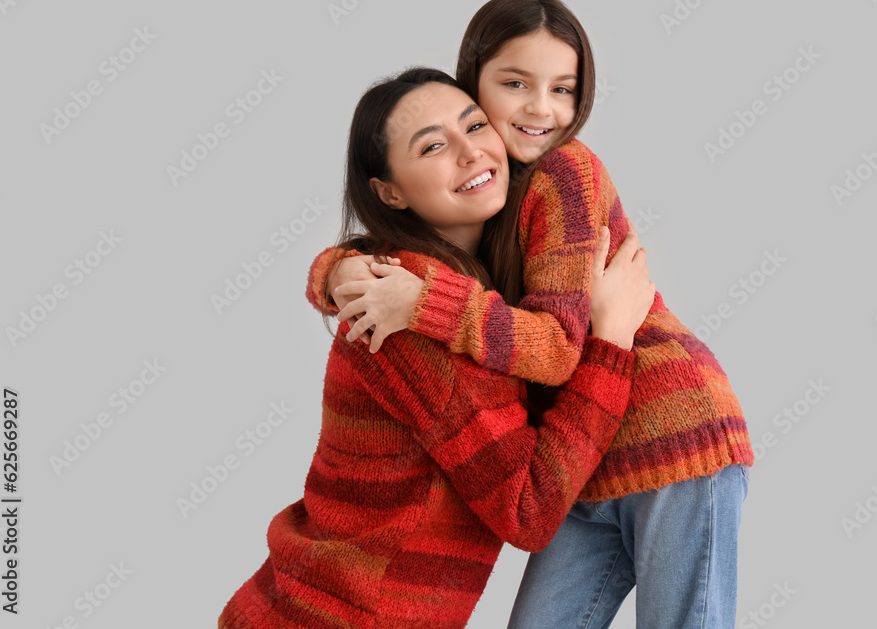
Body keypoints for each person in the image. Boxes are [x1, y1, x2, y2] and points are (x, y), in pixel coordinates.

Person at [316, 0, 754, 629]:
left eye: (563, 89)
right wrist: (338, 271)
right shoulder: (486, 187)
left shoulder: (565, 174)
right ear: (471, 82)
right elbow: (396, 254)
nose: (539, 110)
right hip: (576, 459)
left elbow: (555, 350)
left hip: (673, 432)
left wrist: (423, 302)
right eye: (515, 83)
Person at [217, 67, 656, 628]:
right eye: (432, 146)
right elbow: (528, 509)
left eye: (474, 125)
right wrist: (612, 340)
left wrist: (330, 271)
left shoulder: (432, 286)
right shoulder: (415, 320)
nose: (470, 152)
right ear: (389, 192)